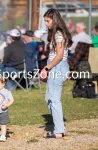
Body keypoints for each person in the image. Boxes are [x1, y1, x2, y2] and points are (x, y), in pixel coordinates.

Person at [40, 9, 72, 139]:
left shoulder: (58, 34)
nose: (46, 24)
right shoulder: (57, 34)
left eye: (48, 21)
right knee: (49, 98)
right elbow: (62, 55)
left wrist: (46, 68)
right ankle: (58, 126)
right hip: (58, 66)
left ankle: (58, 130)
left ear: (55, 20)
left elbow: (59, 56)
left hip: (57, 67)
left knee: (54, 100)